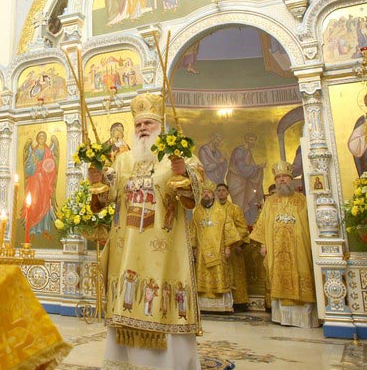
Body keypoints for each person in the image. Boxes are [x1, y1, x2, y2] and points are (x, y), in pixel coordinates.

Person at [89, 93, 203, 369]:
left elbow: (194, 196)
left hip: (164, 251)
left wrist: (183, 173)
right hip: (126, 249)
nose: (142, 128)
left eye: (148, 123)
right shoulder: (122, 161)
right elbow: (102, 201)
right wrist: (97, 181)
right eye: (138, 124)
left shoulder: (178, 156)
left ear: (160, 125)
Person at [250, 161, 318, 328]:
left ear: (291, 179)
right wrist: (263, 244)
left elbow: (311, 223)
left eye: (285, 177)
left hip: (299, 248)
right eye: (278, 177)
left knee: (301, 272)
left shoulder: (302, 200)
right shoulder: (270, 202)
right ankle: (283, 317)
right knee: (278, 277)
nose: (281, 180)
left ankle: (304, 318)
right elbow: (262, 224)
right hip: (276, 249)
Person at [191, 181, 242, 313]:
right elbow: (193, 230)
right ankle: (203, 305)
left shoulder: (221, 211)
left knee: (219, 275)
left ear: (213, 195)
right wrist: (194, 247)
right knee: (202, 276)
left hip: (219, 250)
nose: (206, 195)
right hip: (201, 252)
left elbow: (228, 230)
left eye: (208, 192)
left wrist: (228, 247)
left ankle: (221, 306)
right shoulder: (197, 212)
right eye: (203, 193)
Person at [215, 183, 250, 311]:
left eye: (223, 190)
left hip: (233, 247)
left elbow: (242, 227)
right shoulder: (213, 210)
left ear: (228, 193)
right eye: (219, 190)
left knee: (236, 275)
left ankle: (239, 302)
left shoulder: (234, 209)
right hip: (218, 248)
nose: (221, 192)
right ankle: (222, 302)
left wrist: (238, 244)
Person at [23, 131, 59, 237]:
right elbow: (27, 169)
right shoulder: (33, 153)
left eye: (43, 137)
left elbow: (52, 168)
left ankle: (45, 229)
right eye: (40, 137)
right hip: (34, 181)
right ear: (37, 139)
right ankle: (33, 229)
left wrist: (44, 168)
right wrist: (34, 165)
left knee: (45, 203)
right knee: (34, 203)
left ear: (45, 139)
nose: (41, 139)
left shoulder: (48, 152)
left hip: (44, 181)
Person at [226, 133, 266, 224]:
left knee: (251, 202)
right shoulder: (239, 151)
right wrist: (258, 167)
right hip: (237, 182)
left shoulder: (247, 151)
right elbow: (242, 169)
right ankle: (243, 226)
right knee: (241, 206)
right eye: (251, 139)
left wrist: (257, 168)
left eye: (254, 140)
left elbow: (248, 170)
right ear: (246, 140)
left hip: (246, 182)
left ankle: (252, 225)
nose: (253, 142)